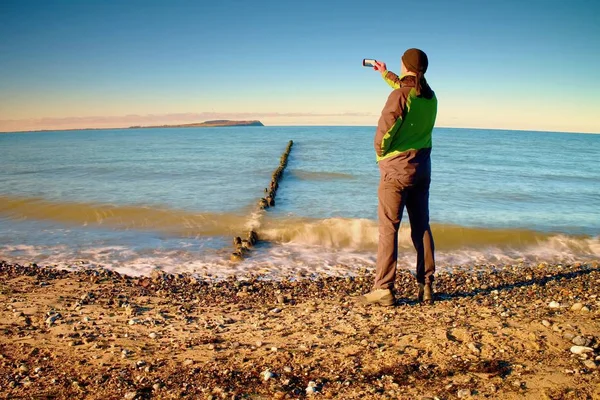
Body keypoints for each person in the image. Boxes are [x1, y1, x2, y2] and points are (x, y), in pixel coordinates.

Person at [359, 48, 438, 306]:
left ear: (405, 66)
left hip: (396, 171)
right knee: (421, 226)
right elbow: (407, 87)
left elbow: (383, 135)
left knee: (388, 229)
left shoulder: (399, 96)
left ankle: (383, 289)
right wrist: (384, 73)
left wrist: (382, 155)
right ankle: (426, 285)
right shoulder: (430, 96)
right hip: (422, 168)